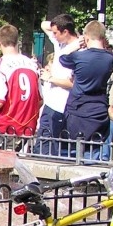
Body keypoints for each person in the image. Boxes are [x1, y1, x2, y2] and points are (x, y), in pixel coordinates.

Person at [59, 20, 113, 155]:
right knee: (95, 150)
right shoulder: (110, 57)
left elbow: (62, 59)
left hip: (78, 107)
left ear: (86, 37)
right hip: (98, 109)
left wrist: (77, 45)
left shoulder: (79, 56)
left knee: (74, 150)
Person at [35, 14, 79, 155]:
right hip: (51, 102)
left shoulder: (79, 51)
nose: (53, 36)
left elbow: (73, 84)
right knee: (43, 140)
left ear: (65, 32)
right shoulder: (59, 43)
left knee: (54, 143)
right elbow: (43, 24)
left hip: (63, 104)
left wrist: (51, 78)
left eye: (56, 33)